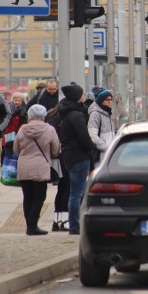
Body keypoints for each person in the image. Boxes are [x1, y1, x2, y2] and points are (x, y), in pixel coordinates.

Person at [56, 83, 97, 235]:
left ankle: (75, 224)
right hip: (79, 156)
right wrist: (92, 149)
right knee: (76, 193)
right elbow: (84, 138)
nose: (83, 96)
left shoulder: (64, 113)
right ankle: (75, 226)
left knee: (74, 192)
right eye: (81, 94)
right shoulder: (77, 116)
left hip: (68, 155)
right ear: (76, 96)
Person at [14, 104, 60, 235]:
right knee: (39, 196)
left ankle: (29, 225)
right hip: (40, 166)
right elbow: (56, 150)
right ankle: (32, 225)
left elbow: (16, 149)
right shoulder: (49, 129)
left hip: (23, 166)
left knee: (27, 196)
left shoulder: (22, 129)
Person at [45, 104, 70, 231]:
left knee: (61, 189)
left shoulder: (50, 116)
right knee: (66, 187)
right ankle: (65, 220)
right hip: (62, 155)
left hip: (54, 158)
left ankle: (57, 219)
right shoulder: (62, 118)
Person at [88, 88, 115, 168]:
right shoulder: (95, 114)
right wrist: (106, 147)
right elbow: (92, 136)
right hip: (101, 155)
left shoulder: (107, 113)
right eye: (107, 100)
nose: (110, 102)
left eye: (111, 99)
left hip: (109, 154)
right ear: (101, 100)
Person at [2, 92, 28, 156]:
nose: (17, 102)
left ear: (22, 101)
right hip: (9, 133)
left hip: (19, 133)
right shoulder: (8, 109)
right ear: (12, 100)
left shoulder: (24, 111)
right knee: (7, 151)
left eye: (19, 101)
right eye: (15, 100)